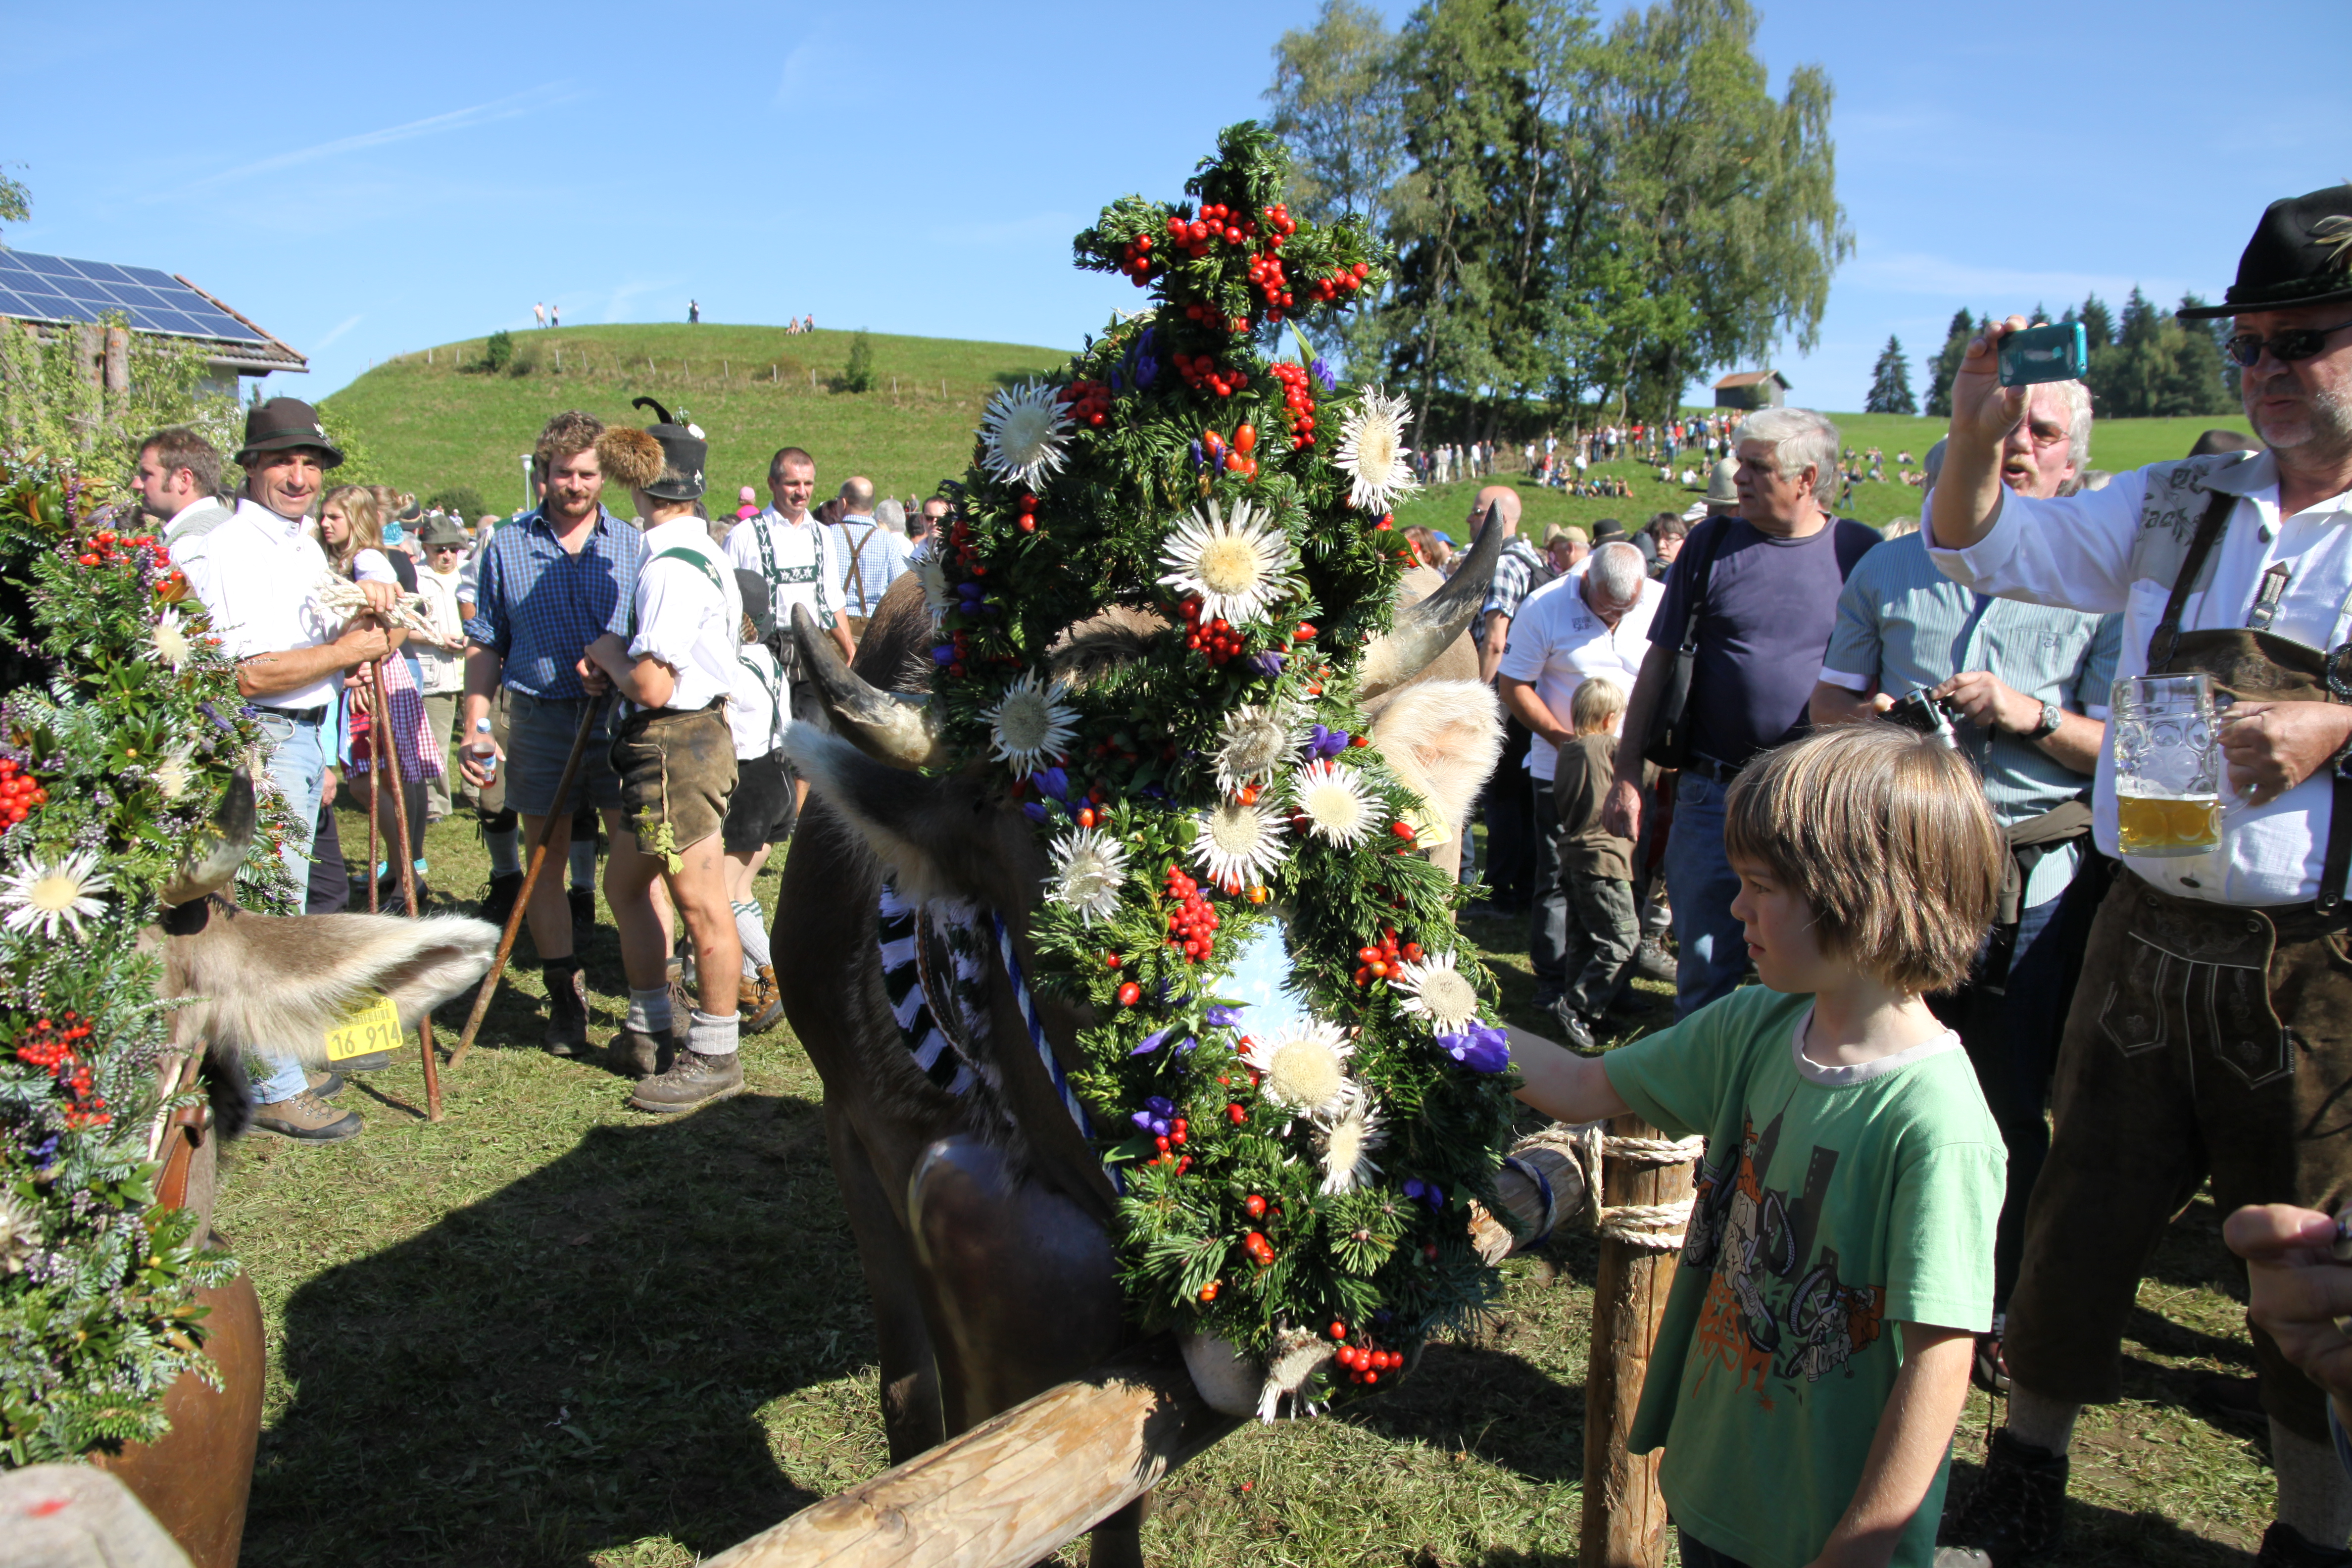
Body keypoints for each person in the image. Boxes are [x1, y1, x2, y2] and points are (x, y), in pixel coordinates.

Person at [1928, 185, 2352, 1567]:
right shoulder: (2180, 500)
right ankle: (2023, 1471)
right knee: (2078, 1213)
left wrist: (2340, 723)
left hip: (2321, 960)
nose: (2267, 369)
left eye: (2302, 341)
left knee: (2302, 1252)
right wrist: (1974, 433)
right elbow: (1977, 542)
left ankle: (2313, 1524)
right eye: (2250, 345)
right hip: (2142, 925)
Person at [1513, 722, 2005, 1568]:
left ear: (1864, 895)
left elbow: (1939, 1363)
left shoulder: (1938, 1125)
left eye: (1761, 886)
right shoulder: (1757, 1023)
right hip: (1715, 1489)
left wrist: (1858, 1549)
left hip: (1823, 1533)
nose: (1735, 906)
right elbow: (1581, 1087)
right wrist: (1433, 1011)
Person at [1811, 376, 2118, 1397]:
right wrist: (1877, 725)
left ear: (2071, 458)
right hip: (1900, 863)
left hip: (2036, 872)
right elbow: (1825, 705)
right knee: (1874, 1063)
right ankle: (1853, 1277)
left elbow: (2129, 747)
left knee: (2007, 1094)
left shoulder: (2105, 582)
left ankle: (1984, 1304)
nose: (2018, 444)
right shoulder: (1891, 569)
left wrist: (2031, 714)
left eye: (2044, 432)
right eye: (2007, 424)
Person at [1602, 407, 1880, 1019]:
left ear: (1807, 479)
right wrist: (1626, 774)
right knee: (1703, 967)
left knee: (1811, 965)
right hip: (1712, 797)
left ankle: (1783, 1075)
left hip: (1812, 802)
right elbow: (1658, 663)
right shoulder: (1710, 544)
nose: (1738, 477)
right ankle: (1702, 1076)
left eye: (1757, 466)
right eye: (1740, 462)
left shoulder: (1859, 552)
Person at [176, 398, 400, 1141]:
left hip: (303, 735)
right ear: (251, 468)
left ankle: (276, 1064)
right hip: (260, 737)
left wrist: (366, 611)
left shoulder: (298, 546)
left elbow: (321, 641)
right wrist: (346, 654)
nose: (300, 477)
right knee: (264, 916)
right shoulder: (233, 548)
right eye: (283, 462)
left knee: (286, 905)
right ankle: (272, 1086)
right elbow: (248, 672)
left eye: (310, 463)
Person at [460, 410, 648, 1056]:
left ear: (605, 476)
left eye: (588, 474)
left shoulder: (632, 545)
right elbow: (486, 640)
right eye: (564, 473)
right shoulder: (507, 545)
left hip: (619, 721)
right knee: (545, 861)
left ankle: (651, 998)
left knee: (641, 856)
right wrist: (476, 725)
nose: (576, 485)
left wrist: (615, 666)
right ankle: (565, 996)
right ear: (544, 472)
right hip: (539, 718)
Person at [579, 417, 744, 1112]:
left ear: (640, 485)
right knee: (625, 883)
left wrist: (607, 653)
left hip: (678, 744)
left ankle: (715, 1053)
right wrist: (619, 661)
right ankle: (650, 1027)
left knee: (700, 903)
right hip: (672, 744)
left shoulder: (672, 566)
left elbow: (652, 685)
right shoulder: (700, 551)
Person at [1499, 542, 1663, 1041]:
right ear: (1588, 579)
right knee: (1559, 874)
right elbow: (1514, 684)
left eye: (1625, 609)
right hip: (1563, 767)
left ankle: (1613, 982)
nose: (1615, 618)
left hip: (1631, 768)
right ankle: (1554, 977)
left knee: (1628, 873)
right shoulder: (1545, 606)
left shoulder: (1658, 602)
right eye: (1608, 608)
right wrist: (1565, 741)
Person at [730, 447, 855, 821]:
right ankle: (759, 808)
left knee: (812, 727)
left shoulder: (823, 535)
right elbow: (728, 599)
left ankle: (796, 818)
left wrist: (849, 647)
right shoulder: (745, 535)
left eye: (808, 484)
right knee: (762, 730)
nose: (802, 492)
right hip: (761, 645)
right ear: (772, 484)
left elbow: (831, 597)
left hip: (809, 642)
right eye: (792, 484)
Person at [1466, 485, 1553, 919]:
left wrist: (1478, 698)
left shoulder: (1500, 564)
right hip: (1530, 694)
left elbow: (1496, 641)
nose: (1469, 520)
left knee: (1500, 798)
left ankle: (1501, 893)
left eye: (1475, 512)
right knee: (1521, 797)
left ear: (1493, 517)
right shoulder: (1534, 562)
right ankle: (1524, 888)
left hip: (1501, 696)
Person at [721, 568, 790, 1032]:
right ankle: (752, 984)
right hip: (780, 777)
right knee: (741, 889)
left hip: (750, 783)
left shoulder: (729, 665)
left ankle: (774, 976)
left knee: (720, 893)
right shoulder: (769, 657)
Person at [412, 513, 473, 824]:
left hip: (472, 668)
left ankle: (478, 794)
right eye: (440, 550)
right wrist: (436, 638)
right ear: (426, 548)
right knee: (434, 743)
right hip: (435, 671)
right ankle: (435, 803)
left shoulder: (470, 573)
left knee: (479, 734)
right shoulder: (414, 579)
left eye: (453, 549)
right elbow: (401, 627)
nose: (448, 555)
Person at [131, 426, 232, 547]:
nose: (136, 485)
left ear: (184, 480)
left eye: (147, 474)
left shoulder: (189, 543)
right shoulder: (230, 527)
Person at [833, 477, 912, 628]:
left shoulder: (826, 536)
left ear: (843, 503)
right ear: (871, 504)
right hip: (873, 629)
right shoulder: (889, 542)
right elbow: (902, 593)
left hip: (835, 628)